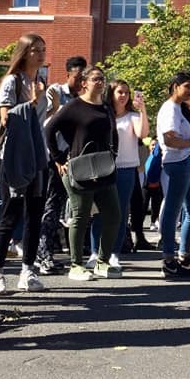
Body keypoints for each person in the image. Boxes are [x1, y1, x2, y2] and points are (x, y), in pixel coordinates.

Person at [0, 34, 49, 295]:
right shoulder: (13, 81)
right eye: (35, 50)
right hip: (15, 155)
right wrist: (32, 103)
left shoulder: (39, 82)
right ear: (24, 52)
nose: (40, 55)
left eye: (43, 50)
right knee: (10, 214)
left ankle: (28, 271)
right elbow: (5, 116)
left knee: (35, 216)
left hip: (37, 153)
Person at [44, 66, 122, 280]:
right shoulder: (74, 106)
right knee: (81, 215)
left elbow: (113, 133)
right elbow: (49, 130)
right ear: (84, 83)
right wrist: (59, 158)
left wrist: (114, 155)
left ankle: (102, 262)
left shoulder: (106, 107)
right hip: (79, 169)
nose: (100, 82)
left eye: (102, 79)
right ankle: (76, 265)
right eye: (96, 78)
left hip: (104, 168)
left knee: (113, 214)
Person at [87, 78, 148, 269]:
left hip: (126, 168)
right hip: (103, 167)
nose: (124, 96)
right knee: (99, 212)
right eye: (120, 92)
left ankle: (113, 253)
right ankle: (95, 252)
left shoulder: (133, 116)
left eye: (126, 93)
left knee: (120, 212)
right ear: (111, 94)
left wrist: (142, 109)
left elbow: (143, 134)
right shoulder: (103, 114)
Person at [35, 56, 87, 275]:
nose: (81, 82)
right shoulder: (55, 92)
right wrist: (57, 157)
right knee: (51, 206)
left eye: (84, 77)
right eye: (77, 77)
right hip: (55, 158)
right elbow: (46, 123)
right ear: (68, 74)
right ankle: (42, 254)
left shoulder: (86, 97)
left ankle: (73, 252)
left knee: (74, 207)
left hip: (77, 158)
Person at [156, 72, 190, 278]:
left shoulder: (182, 108)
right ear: (175, 86)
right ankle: (168, 259)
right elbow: (169, 140)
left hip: (186, 162)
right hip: (176, 162)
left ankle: (184, 256)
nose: (189, 91)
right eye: (187, 86)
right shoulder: (169, 109)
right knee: (172, 210)